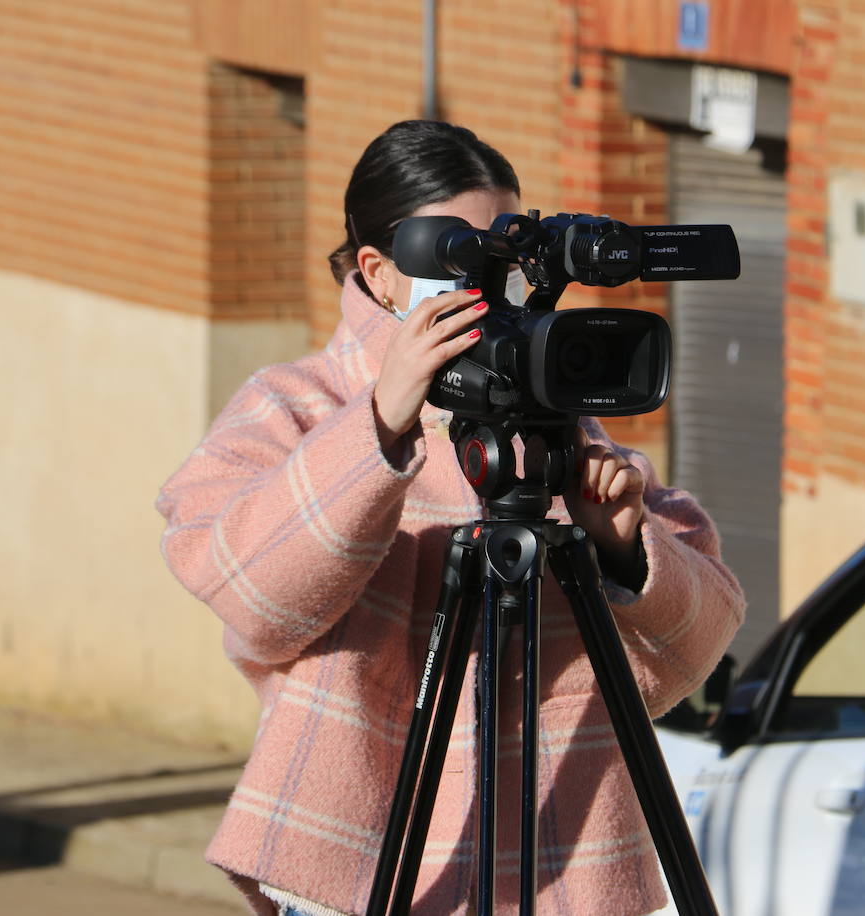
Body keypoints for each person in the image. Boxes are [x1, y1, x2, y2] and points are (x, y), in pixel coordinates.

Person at [156, 120, 745, 916]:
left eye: (500, 256)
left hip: (564, 869)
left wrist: (622, 547)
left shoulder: (559, 425)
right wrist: (378, 427)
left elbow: (695, 649)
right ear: (380, 271)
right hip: (367, 869)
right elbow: (252, 601)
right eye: (458, 259)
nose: (486, 283)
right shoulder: (295, 405)